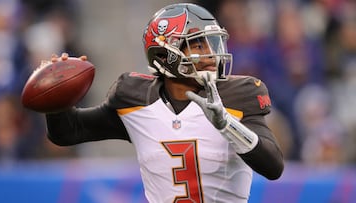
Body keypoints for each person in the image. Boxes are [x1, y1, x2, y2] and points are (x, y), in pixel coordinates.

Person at [43, 3, 284, 203]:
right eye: (198, 45)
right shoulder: (135, 98)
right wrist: (57, 91)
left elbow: (273, 166)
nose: (211, 53)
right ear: (164, 55)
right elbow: (67, 132)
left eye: (212, 43)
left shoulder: (238, 95)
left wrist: (227, 125)